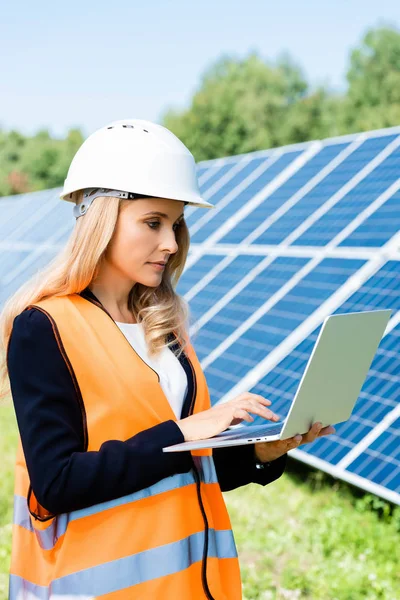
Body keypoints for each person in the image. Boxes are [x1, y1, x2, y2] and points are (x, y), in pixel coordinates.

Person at [0, 118, 335, 599]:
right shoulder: (44, 327)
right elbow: (56, 482)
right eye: (152, 223)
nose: (172, 243)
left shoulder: (163, 326)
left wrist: (258, 456)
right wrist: (182, 433)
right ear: (101, 218)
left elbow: (183, 467)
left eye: (176, 223)